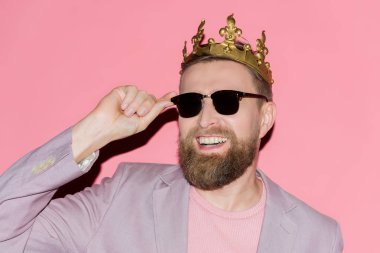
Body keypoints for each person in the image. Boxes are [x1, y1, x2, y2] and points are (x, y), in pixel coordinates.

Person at [0, 15, 343, 252]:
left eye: (227, 101)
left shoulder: (316, 237)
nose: (206, 119)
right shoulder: (123, 197)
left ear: (265, 117)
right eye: (191, 103)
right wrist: (93, 132)